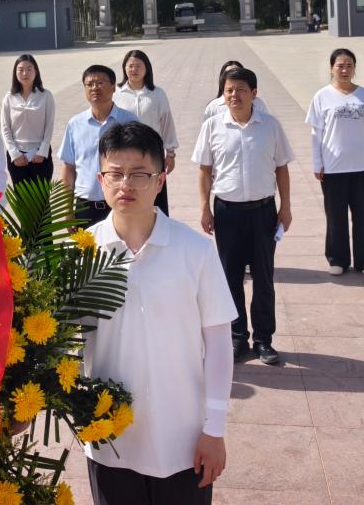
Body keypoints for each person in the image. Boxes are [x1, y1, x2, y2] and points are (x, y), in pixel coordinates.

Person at [83, 122, 236, 504]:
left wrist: (214, 428)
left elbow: (219, 345)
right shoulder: (80, 253)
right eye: (115, 174)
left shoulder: (195, 251)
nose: (126, 184)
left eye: (139, 174)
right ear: (101, 180)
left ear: (160, 180)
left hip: (184, 443)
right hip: (109, 442)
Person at [193, 67, 293, 365]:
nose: (234, 95)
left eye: (240, 90)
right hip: (227, 212)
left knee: (263, 277)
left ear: (254, 93)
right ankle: (237, 337)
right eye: (229, 90)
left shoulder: (270, 126)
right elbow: (204, 170)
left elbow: (282, 167)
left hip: (263, 212)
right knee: (230, 278)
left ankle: (263, 340)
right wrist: (204, 207)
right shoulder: (212, 126)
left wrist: (285, 207)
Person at [306, 48, 364, 277]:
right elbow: (316, 133)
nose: (344, 70)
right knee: (336, 216)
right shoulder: (322, 96)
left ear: (354, 69)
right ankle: (337, 259)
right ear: (331, 68)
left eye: (349, 65)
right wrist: (317, 162)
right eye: (340, 66)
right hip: (333, 168)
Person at [59, 65, 138, 226]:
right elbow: (68, 168)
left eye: (101, 82)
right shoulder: (75, 124)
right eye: (89, 84)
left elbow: (138, 165)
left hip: (120, 203)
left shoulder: (129, 121)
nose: (95, 87)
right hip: (84, 207)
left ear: (113, 87)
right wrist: (67, 211)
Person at [113, 48, 177, 216]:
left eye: (138, 66)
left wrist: (170, 153)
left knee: (154, 194)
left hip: (152, 152)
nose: (134, 70)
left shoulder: (157, 94)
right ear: (124, 68)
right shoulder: (116, 93)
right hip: (124, 152)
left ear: (146, 68)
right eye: (130, 66)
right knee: (127, 192)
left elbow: (167, 123)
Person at [0, 53, 56, 187]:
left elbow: (49, 126)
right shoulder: (9, 98)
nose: (25, 73)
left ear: (36, 71)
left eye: (29, 69)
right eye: (20, 70)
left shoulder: (46, 96)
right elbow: (5, 129)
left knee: (41, 197)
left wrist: (42, 152)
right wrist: (15, 154)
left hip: (40, 156)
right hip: (17, 157)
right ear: (15, 73)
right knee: (22, 197)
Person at [201, 60, 268, 120]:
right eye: (228, 73)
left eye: (236, 72)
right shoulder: (213, 107)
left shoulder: (258, 104)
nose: (234, 94)